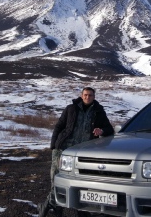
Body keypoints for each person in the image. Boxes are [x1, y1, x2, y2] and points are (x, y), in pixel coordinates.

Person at [38, 87, 114, 217]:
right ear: (81, 95)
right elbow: (59, 126)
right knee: (56, 179)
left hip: (83, 153)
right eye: (85, 95)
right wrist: (54, 145)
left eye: (90, 95)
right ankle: (54, 206)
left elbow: (109, 129)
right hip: (63, 149)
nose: (87, 97)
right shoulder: (71, 108)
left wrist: (101, 131)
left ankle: (53, 206)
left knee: (79, 181)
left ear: (94, 97)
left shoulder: (98, 111)